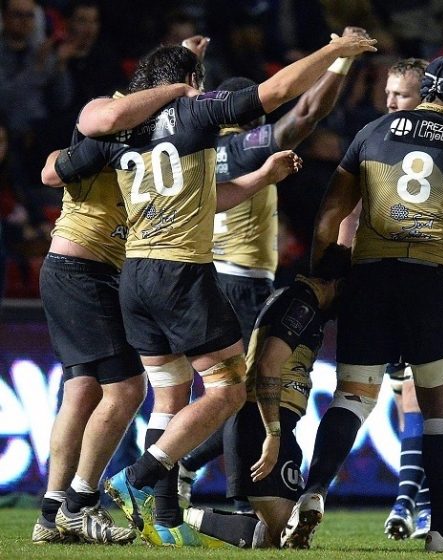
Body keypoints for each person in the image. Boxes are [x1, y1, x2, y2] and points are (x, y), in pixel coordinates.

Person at [44, 34, 376, 547]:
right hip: (182, 275)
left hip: (133, 278)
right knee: (228, 390)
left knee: (169, 392)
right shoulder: (195, 114)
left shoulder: (122, 129)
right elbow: (277, 92)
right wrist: (334, 55)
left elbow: (64, 162)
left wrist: (262, 176)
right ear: (191, 85)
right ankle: (133, 482)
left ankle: (162, 516)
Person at [283, 55, 443, 553]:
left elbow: (332, 211)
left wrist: (322, 274)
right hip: (430, 284)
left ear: (427, 91)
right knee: (442, 415)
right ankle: (441, 531)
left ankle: (314, 491)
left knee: (353, 399)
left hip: (370, 279)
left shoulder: (373, 131)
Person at [176, 26, 370, 509]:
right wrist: (341, 59)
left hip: (200, 274)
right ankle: (211, 483)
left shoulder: (194, 142)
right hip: (241, 284)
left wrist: (188, 61)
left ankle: (179, 469)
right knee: (241, 394)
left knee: (218, 391)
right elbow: (306, 111)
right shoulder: (245, 148)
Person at [31, 84, 197, 545]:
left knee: (82, 391)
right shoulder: (114, 120)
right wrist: (181, 85)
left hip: (86, 269)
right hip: (82, 267)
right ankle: (80, 505)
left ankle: (51, 513)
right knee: (126, 388)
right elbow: (54, 167)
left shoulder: (153, 140)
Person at [180, 245, 351, 548]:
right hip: (260, 424)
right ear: (338, 283)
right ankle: (177, 518)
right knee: (278, 534)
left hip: (260, 421)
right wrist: (272, 434)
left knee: (277, 534)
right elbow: (268, 364)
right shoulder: (303, 305)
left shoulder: (293, 297)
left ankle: (179, 514)